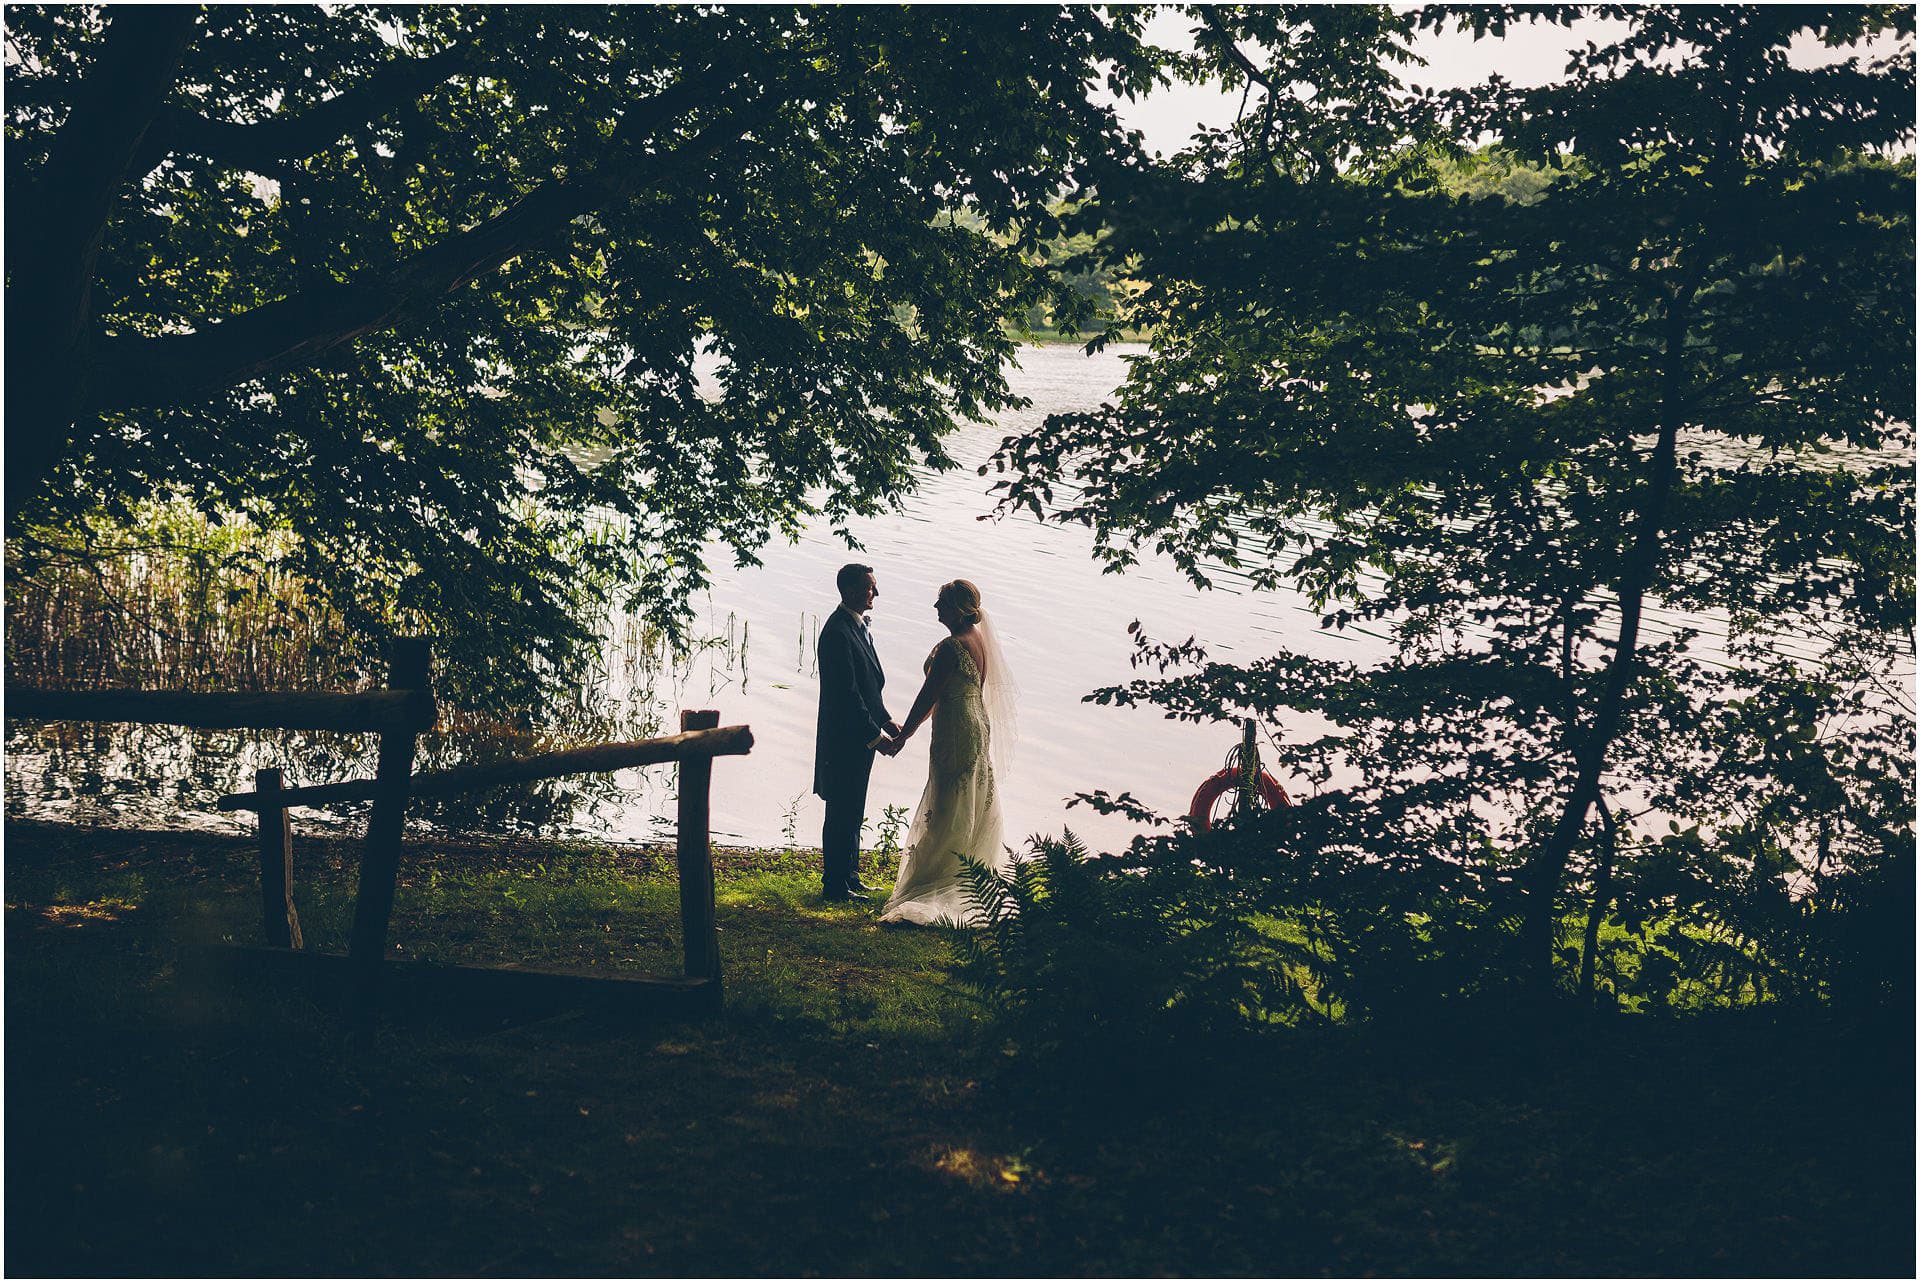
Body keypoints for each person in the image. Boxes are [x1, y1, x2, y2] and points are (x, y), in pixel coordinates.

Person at [876, 579, 1016, 926]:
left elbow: (928, 695)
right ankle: (967, 868)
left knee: (947, 799)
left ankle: (939, 876)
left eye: (941, 603)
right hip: (975, 723)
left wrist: (904, 734)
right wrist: (908, 731)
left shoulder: (952, 647)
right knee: (967, 795)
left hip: (955, 727)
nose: (936, 608)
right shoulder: (979, 640)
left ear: (956, 608)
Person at [813, 563, 899, 901]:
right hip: (843, 739)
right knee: (840, 811)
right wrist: (876, 738)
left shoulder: (857, 627)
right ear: (849, 591)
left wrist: (887, 719)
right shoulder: (836, 633)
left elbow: (868, 687)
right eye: (869, 587)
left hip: (857, 737)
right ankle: (834, 885)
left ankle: (849, 875)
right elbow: (846, 695)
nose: (875, 593)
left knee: (853, 808)